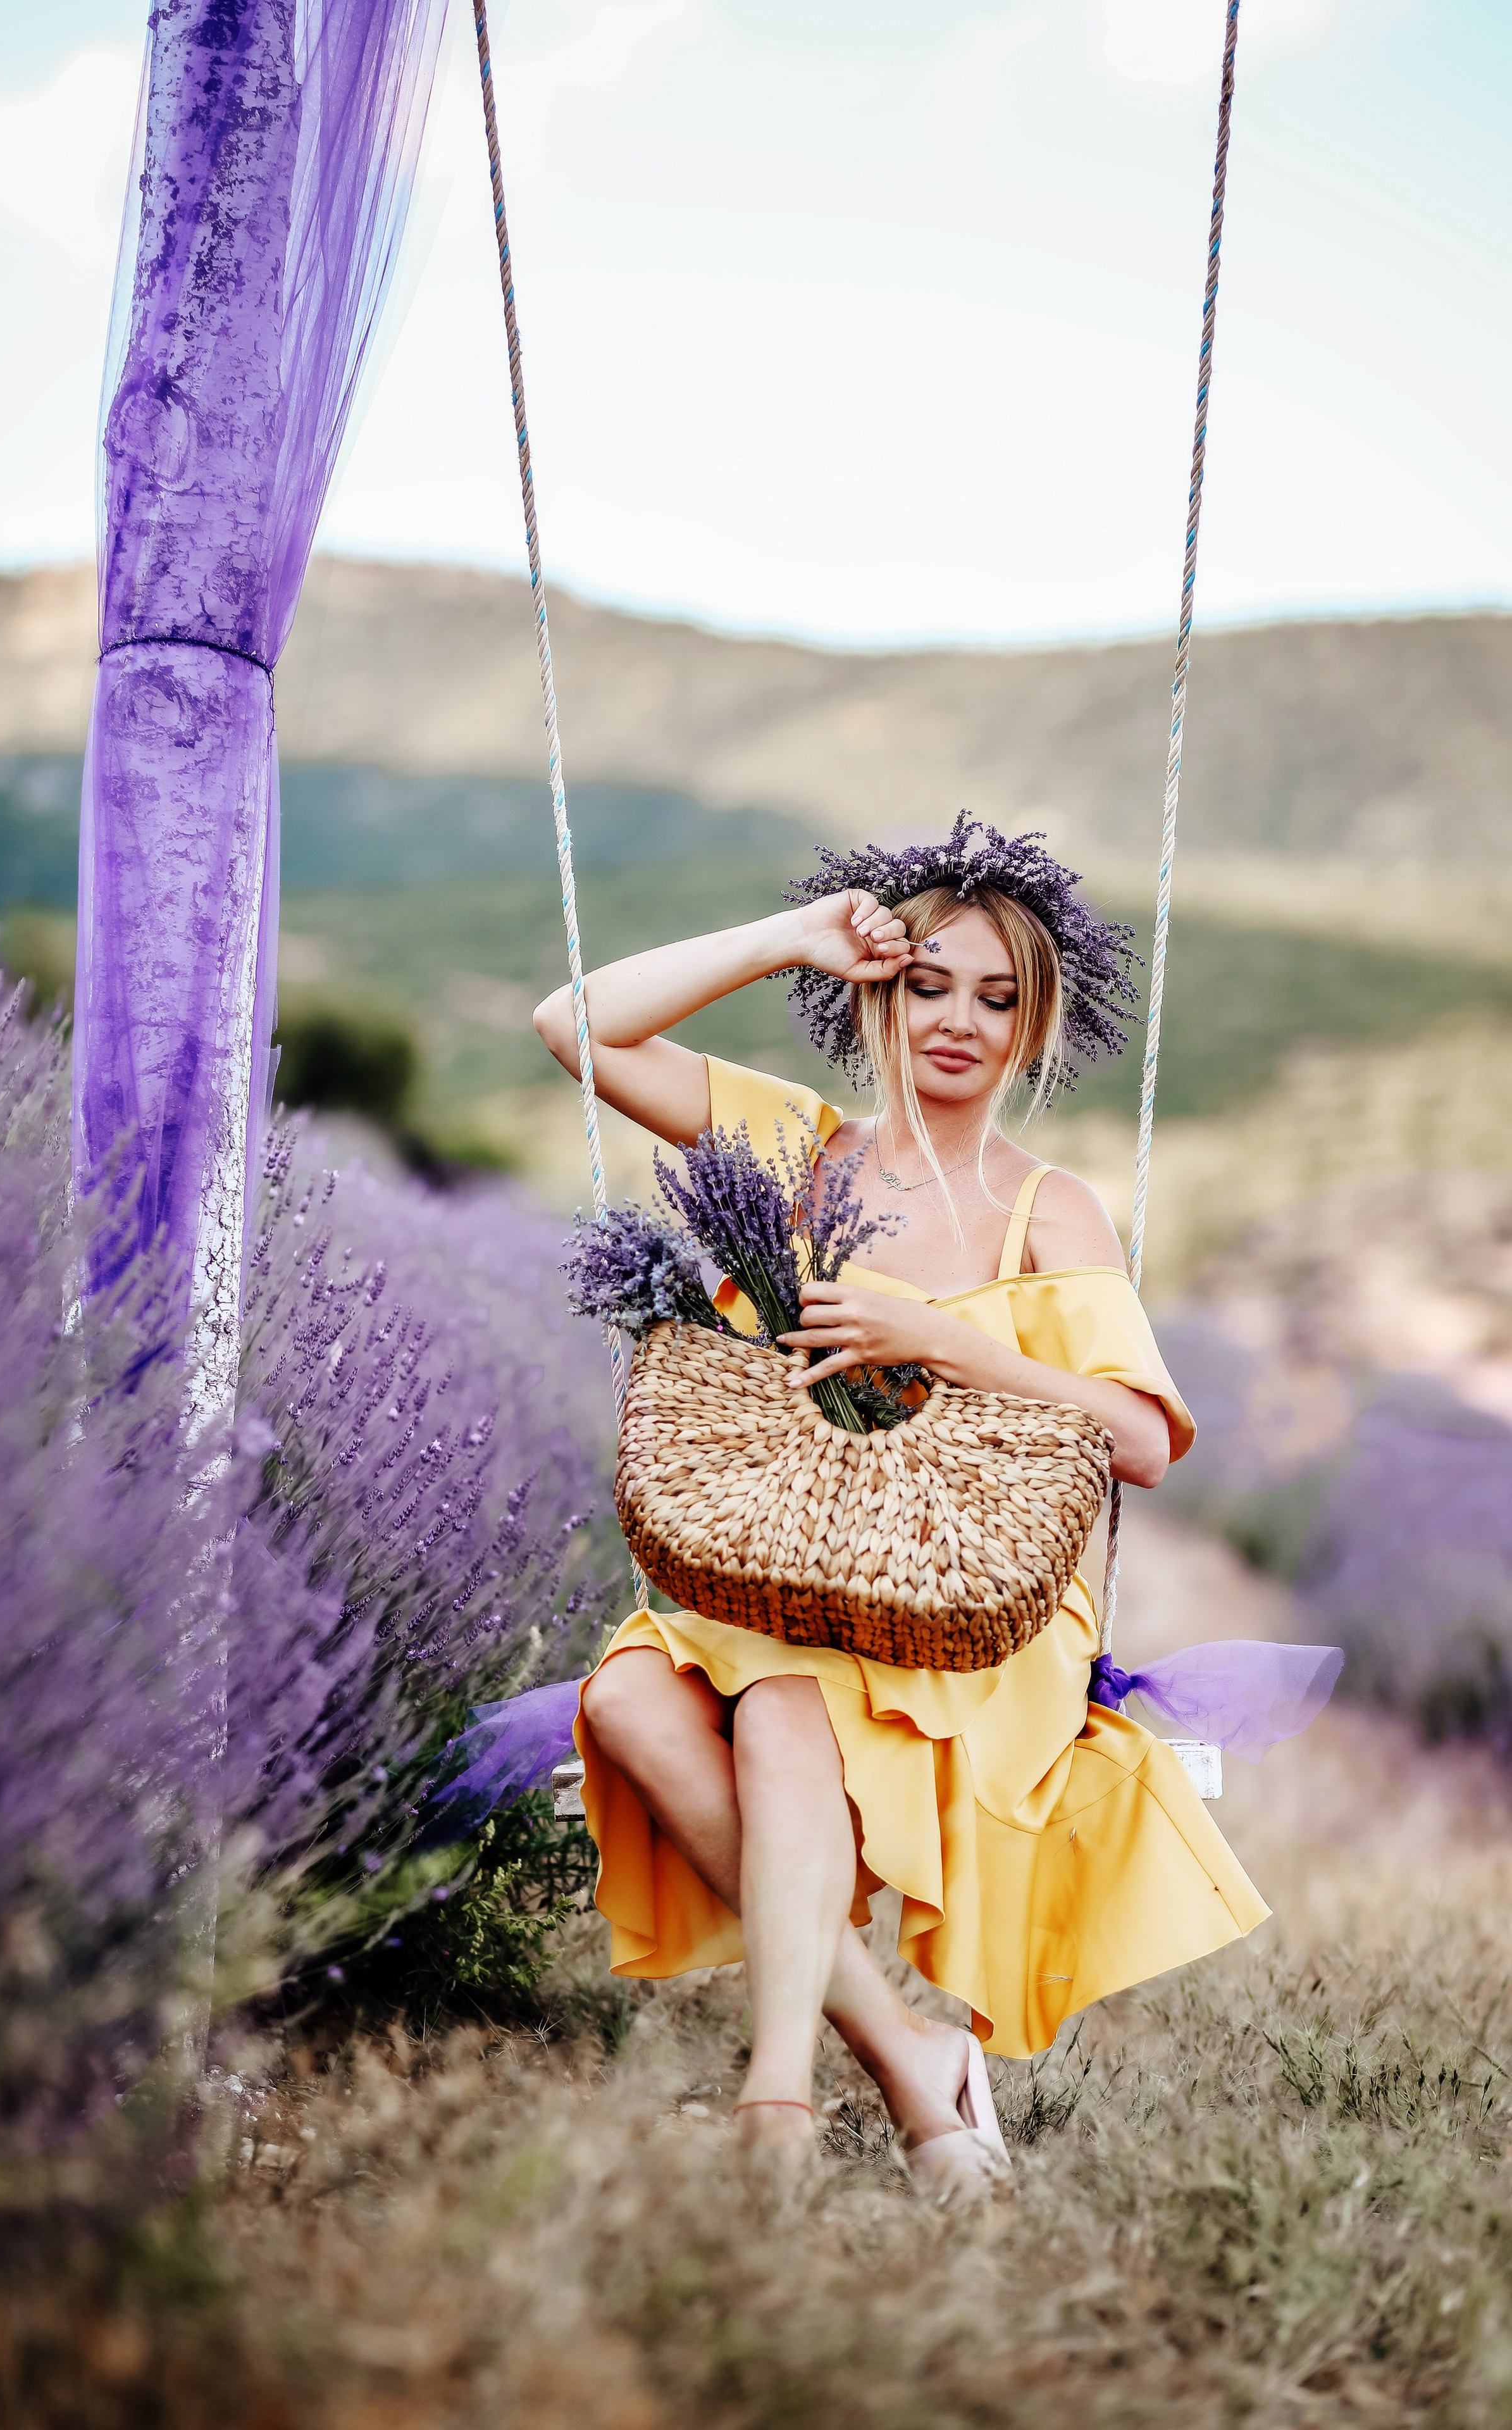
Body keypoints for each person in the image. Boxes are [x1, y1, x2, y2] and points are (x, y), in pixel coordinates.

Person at [534, 822, 1268, 2200]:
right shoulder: (798, 1151)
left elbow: (1140, 1438)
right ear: (880, 994)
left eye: (999, 1000)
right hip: (798, 1568)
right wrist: (784, 941)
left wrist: (935, 1336)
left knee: (782, 1708)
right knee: (632, 1697)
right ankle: (907, 2058)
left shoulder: (1048, 1212)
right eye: (930, 984)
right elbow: (572, 1023)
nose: (958, 1023)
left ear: (1033, 1027)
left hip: (976, 1615)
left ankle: (776, 2107)